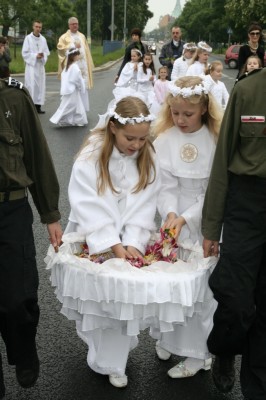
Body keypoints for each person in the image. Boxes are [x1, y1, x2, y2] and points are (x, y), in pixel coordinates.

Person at [64, 96, 160, 388]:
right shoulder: (92, 155)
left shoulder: (146, 155)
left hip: (128, 238)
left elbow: (145, 203)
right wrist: (111, 243)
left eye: (143, 139)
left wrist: (133, 241)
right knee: (100, 298)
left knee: (123, 298)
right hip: (96, 236)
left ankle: (115, 361)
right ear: (113, 128)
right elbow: (87, 202)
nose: (137, 145)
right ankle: (102, 352)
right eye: (130, 138)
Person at [152, 76, 223, 379]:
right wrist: (170, 213)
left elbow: (214, 190)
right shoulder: (165, 139)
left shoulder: (216, 140)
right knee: (170, 281)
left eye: (188, 114)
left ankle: (198, 354)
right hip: (174, 217)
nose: (180, 120)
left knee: (199, 290)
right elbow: (163, 183)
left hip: (204, 218)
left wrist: (186, 218)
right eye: (175, 112)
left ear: (205, 109)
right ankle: (170, 337)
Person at [202, 67, 266, 399]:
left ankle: (256, 388)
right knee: (237, 300)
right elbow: (222, 161)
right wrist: (212, 227)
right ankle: (224, 349)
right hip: (248, 204)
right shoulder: (247, 90)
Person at [0, 77, 62, 399]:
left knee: (18, 298)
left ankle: (24, 349)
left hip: (11, 210)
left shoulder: (13, 98)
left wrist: (49, 213)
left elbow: (37, 156)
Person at [57, 16, 94, 113]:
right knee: (74, 89)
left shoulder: (82, 36)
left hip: (83, 66)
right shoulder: (64, 37)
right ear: (69, 25)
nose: (75, 26)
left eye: (76, 24)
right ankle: (73, 111)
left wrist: (88, 64)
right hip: (73, 66)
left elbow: (86, 51)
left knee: (83, 87)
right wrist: (73, 46)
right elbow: (61, 50)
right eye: (73, 24)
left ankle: (83, 110)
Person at [50, 47, 88, 127]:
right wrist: (80, 86)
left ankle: (76, 120)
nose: (78, 56)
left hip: (69, 89)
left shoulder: (68, 66)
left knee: (76, 105)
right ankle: (59, 118)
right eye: (77, 54)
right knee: (70, 105)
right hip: (72, 90)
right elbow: (76, 79)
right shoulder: (74, 67)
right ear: (73, 56)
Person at [22, 20, 50, 114]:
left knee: (40, 87)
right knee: (31, 86)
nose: (38, 29)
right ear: (33, 27)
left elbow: (47, 52)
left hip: (40, 67)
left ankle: (38, 107)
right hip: (31, 67)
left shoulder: (43, 39)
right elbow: (24, 53)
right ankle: (31, 108)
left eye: (40, 27)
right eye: (36, 27)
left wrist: (43, 56)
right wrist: (35, 56)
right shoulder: (28, 39)